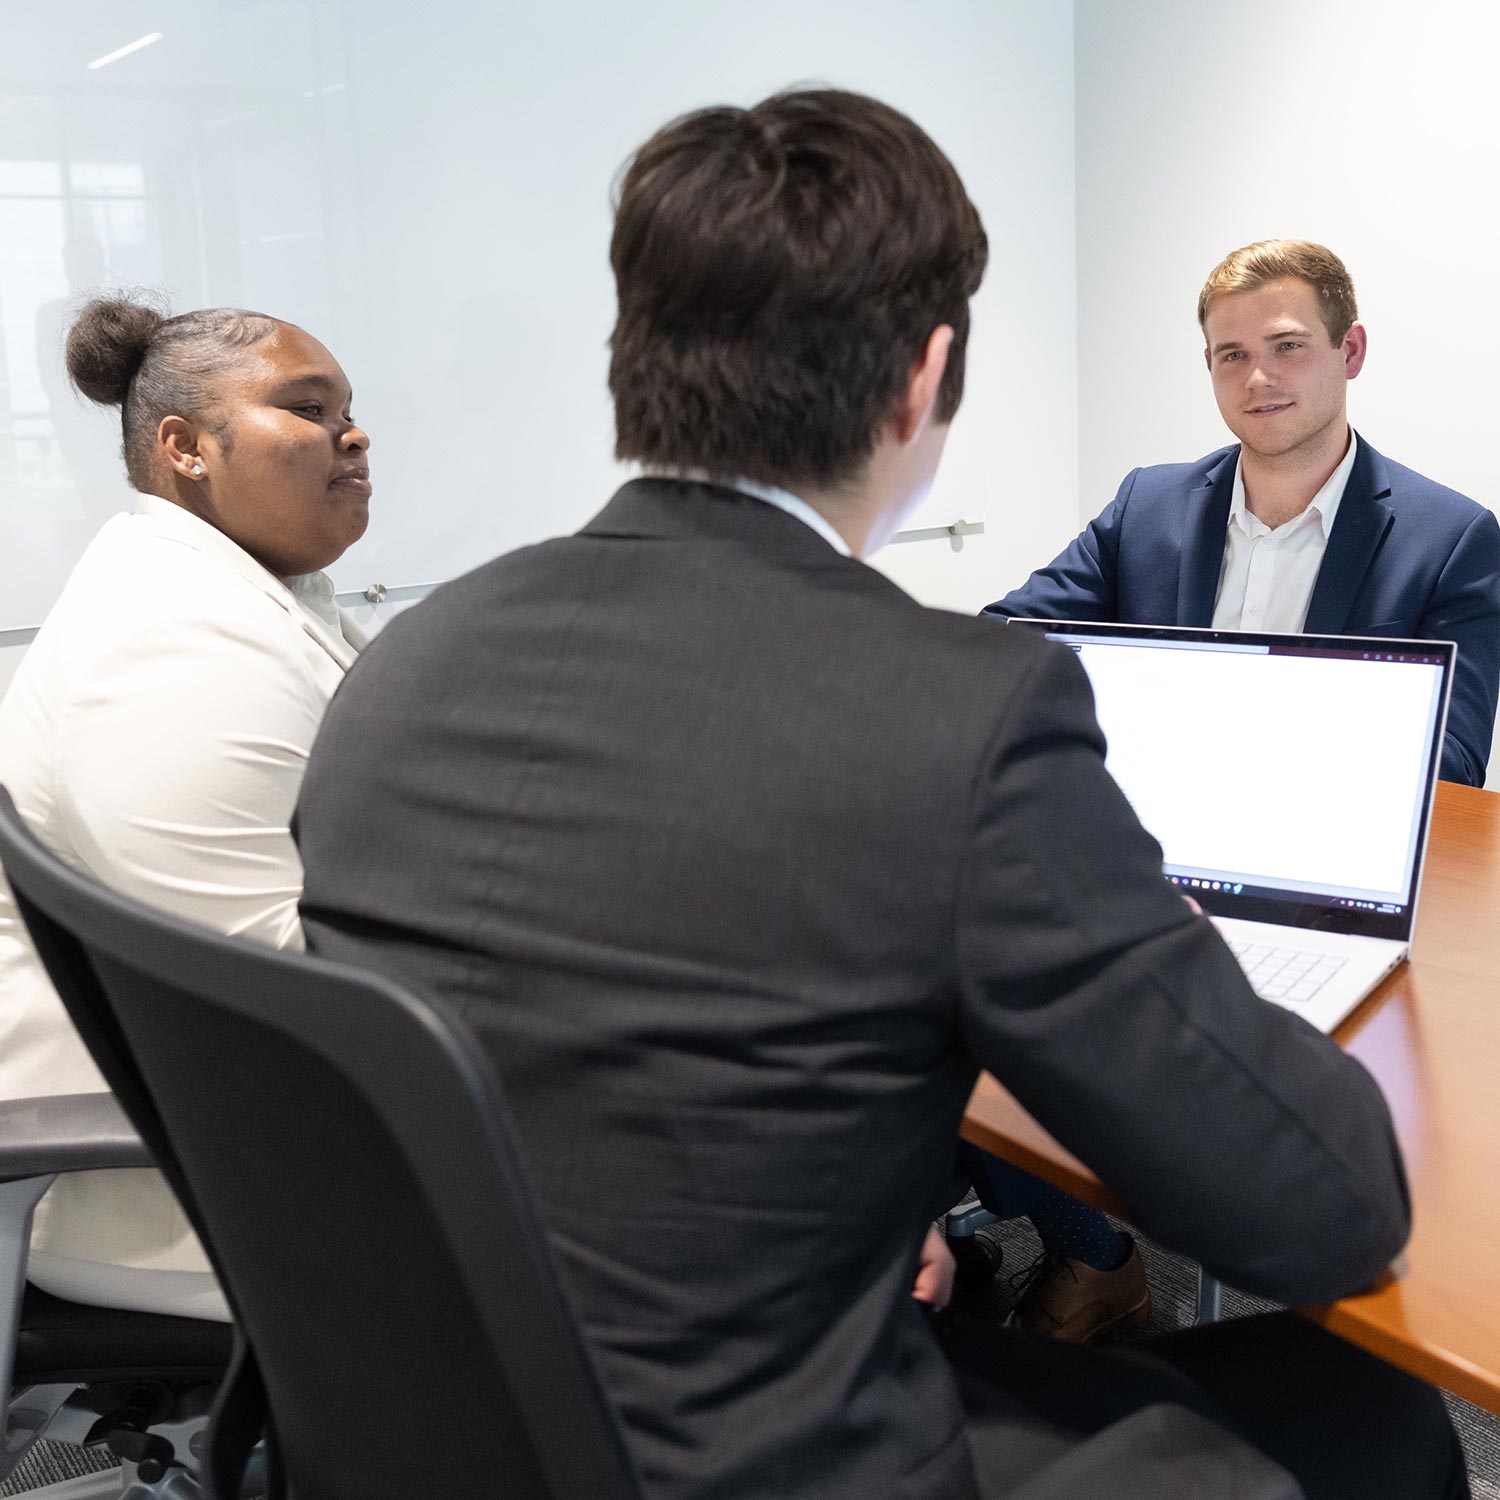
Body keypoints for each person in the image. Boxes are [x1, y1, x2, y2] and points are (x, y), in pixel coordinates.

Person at [294, 93, 1466, 1498]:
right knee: (1379, 1421)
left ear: (635, 360)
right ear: (925, 377)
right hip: (781, 1454)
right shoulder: (956, 720)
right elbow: (1327, 1211)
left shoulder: (402, 665)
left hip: (453, 1417)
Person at [0, 295, 372, 1320]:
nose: (354, 432)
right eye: (307, 408)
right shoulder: (167, 652)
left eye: (347, 407)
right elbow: (265, 998)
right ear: (186, 447)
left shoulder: (246, 603)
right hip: (186, 1200)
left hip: (259, 1138)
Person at [983, 238, 1500, 789]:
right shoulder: (1146, 505)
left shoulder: (1453, 540)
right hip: (1146, 841)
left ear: (1349, 351)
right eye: (1233, 355)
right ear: (1209, 365)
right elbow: (1001, 645)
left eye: (1287, 346)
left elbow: (1452, 764)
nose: (1257, 379)